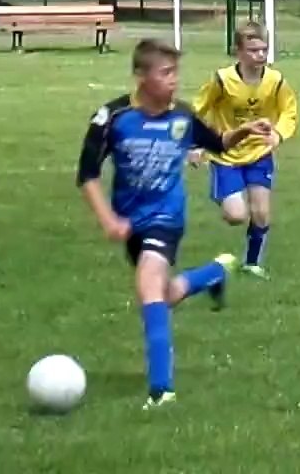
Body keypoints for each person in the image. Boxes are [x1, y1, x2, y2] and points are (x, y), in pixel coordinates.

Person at [77, 39, 271, 408]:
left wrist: (245, 131)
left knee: (148, 285)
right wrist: (108, 220)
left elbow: (219, 143)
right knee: (162, 295)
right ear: (140, 76)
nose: (174, 81)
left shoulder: (182, 116)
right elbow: (87, 174)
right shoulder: (113, 117)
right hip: (131, 222)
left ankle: (162, 389)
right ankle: (213, 274)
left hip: (166, 217)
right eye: (165, 73)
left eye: (175, 72)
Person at [191, 22, 299, 279]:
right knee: (236, 215)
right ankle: (224, 197)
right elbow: (197, 109)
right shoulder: (222, 80)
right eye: (253, 51)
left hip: (259, 153)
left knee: (261, 212)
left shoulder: (276, 81)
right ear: (238, 51)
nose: (260, 56)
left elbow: (289, 111)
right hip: (226, 155)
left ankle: (252, 264)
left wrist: (278, 133)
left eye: (264, 50)